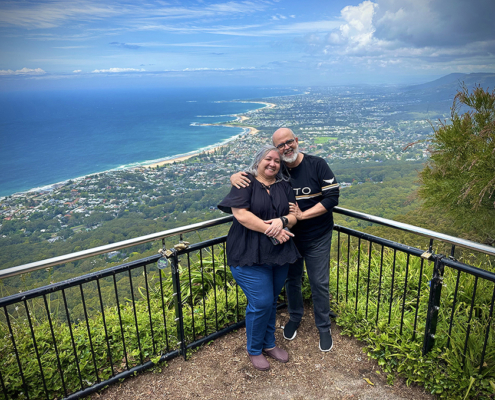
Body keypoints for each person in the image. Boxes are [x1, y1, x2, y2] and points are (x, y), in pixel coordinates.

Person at [230, 128, 339, 352]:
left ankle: (324, 326)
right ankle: (294, 317)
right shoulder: (278, 172)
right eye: (280, 146)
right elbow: (256, 176)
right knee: (292, 280)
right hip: (288, 240)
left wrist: (302, 216)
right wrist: (234, 176)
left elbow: (332, 197)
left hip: (317, 235)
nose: (286, 147)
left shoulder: (316, 164)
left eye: (289, 142)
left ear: (297, 141)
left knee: (319, 282)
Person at [218, 144, 300, 371]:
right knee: (261, 301)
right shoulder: (245, 181)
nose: (273, 163)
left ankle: (269, 343)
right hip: (248, 253)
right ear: (258, 161)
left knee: (272, 301)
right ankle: (254, 349)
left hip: (279, 253)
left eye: (277, 161)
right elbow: (241, 215)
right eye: (268, 159)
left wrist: (282, 222)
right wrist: (270, 229)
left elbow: (293, 216)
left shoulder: (284, 185)